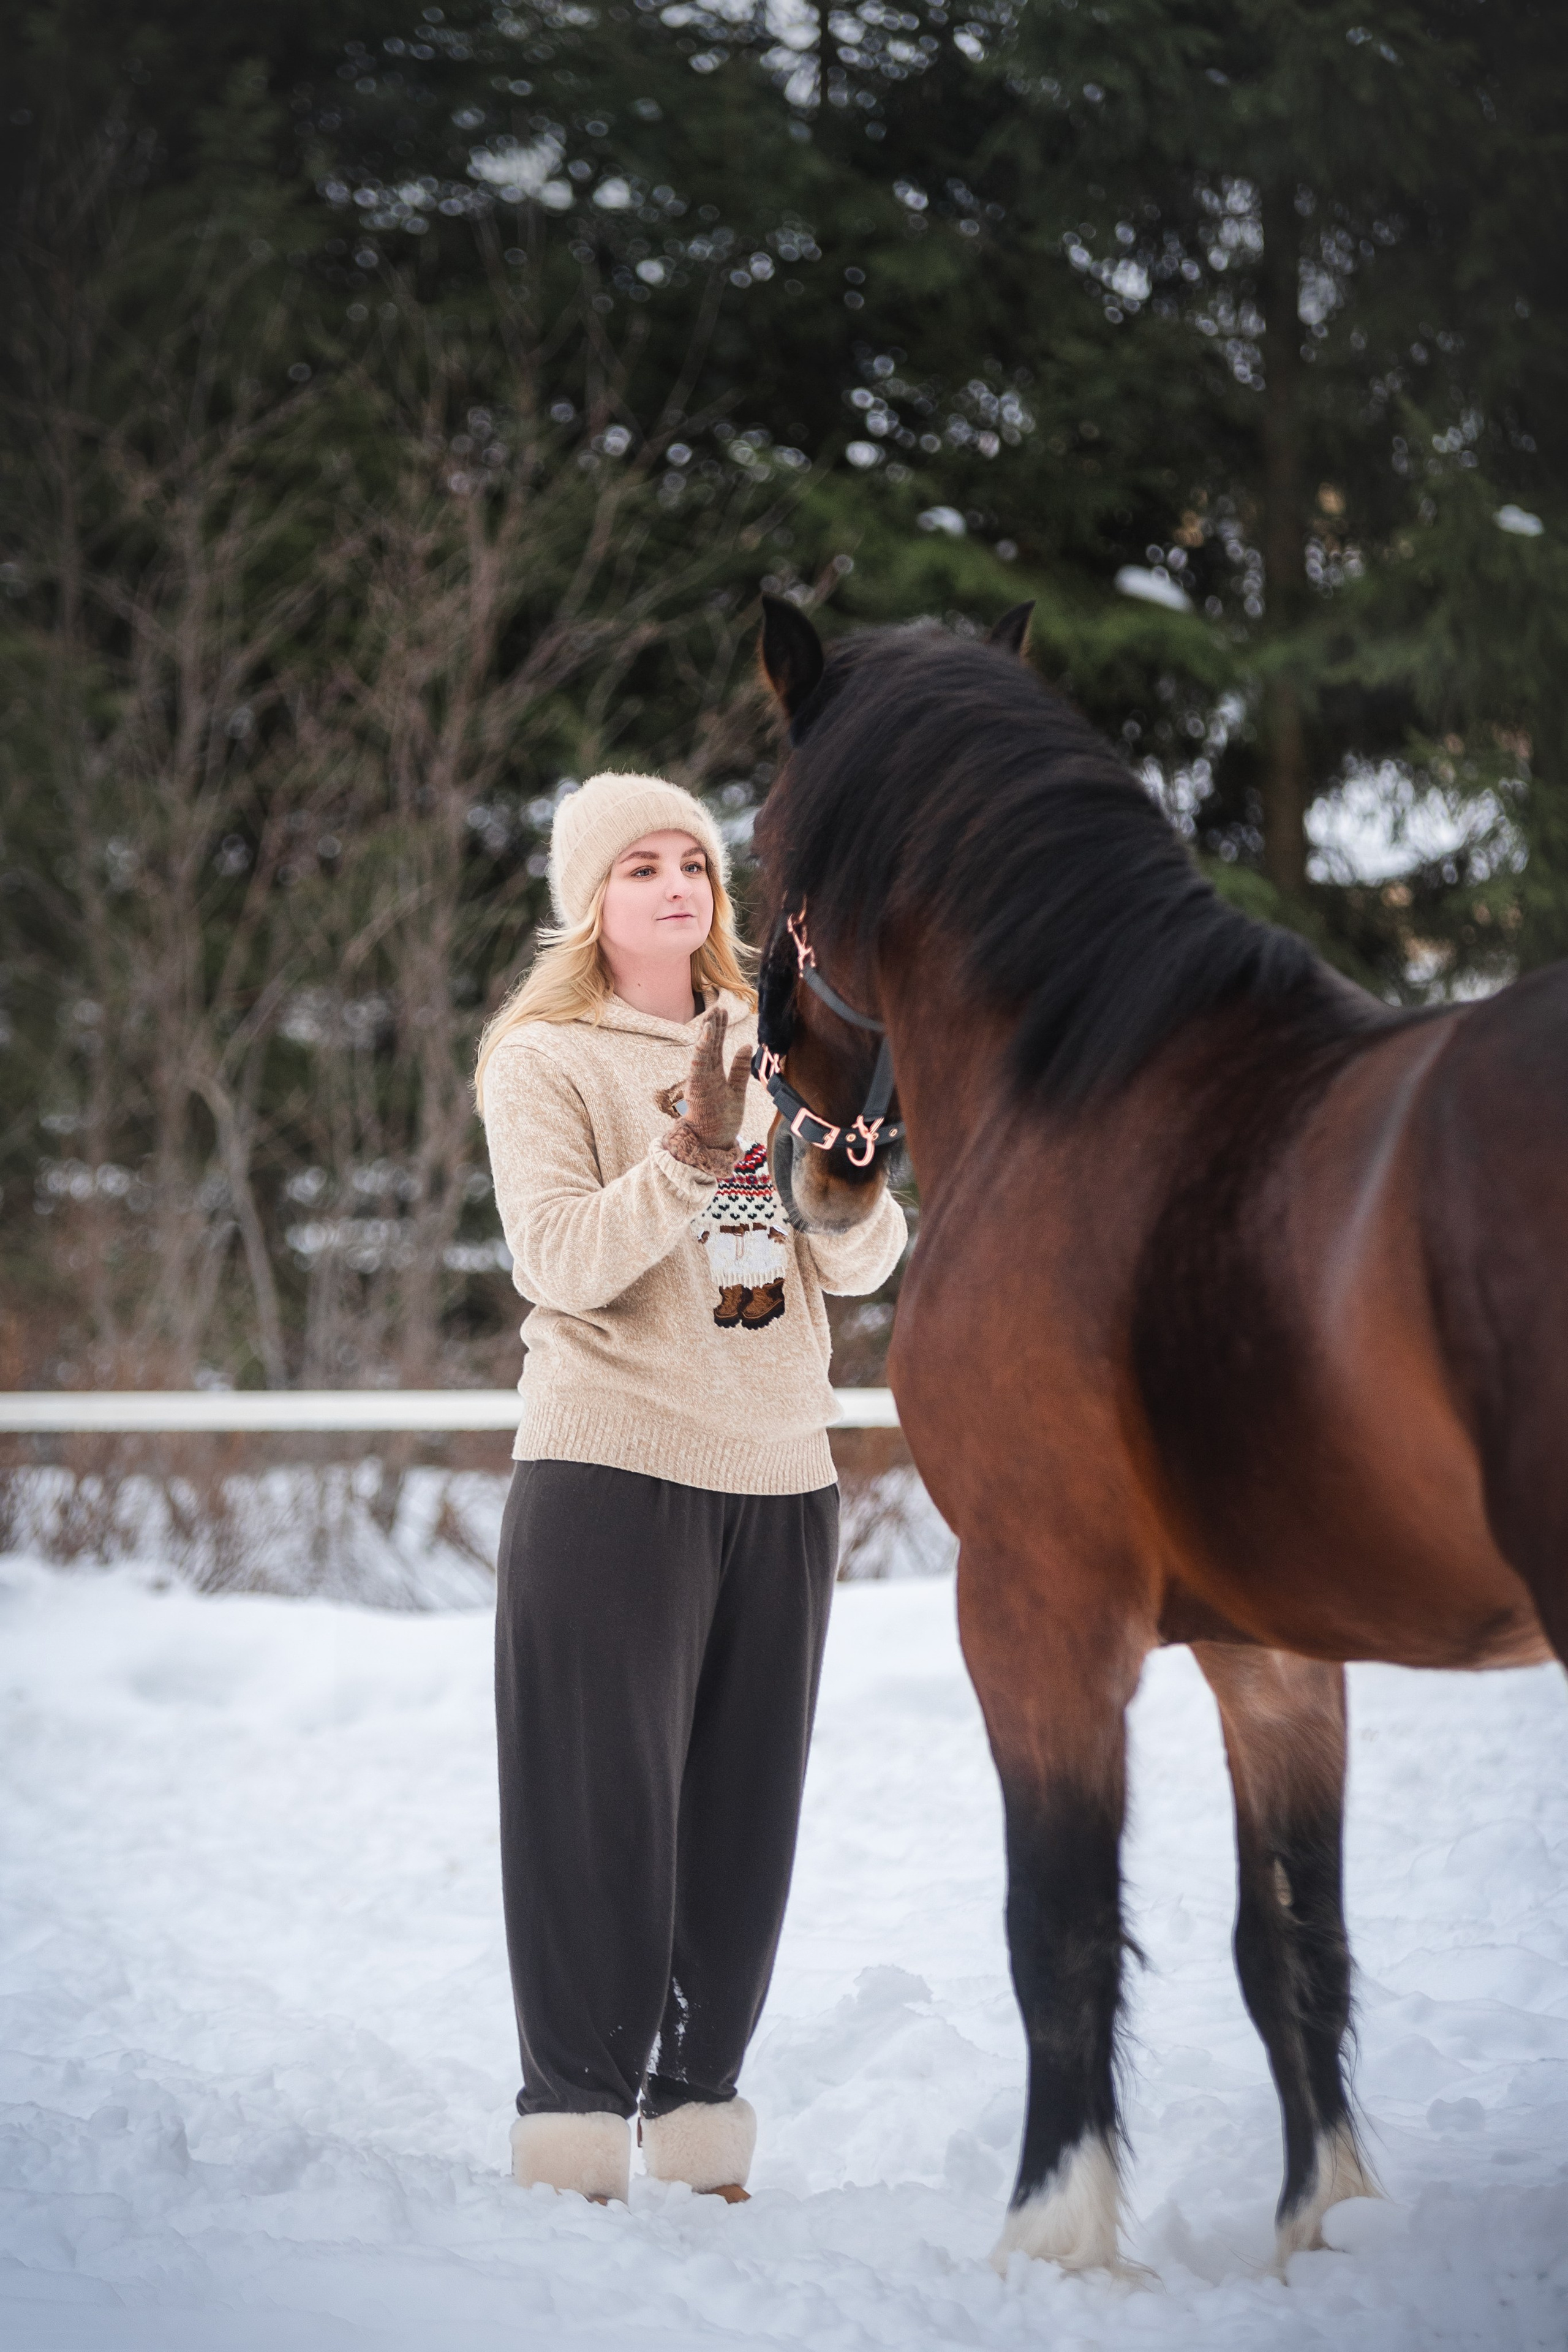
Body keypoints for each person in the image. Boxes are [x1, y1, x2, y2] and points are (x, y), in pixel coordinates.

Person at [475, 770, 907, 2207]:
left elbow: (853, 1262)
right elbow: (557, 1260)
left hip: (783, 1473)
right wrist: (691, 1147)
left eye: (695, 866)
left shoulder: (781, 1047)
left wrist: (839, 1176)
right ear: (588, 903)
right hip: (612, 1471)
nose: (676, 886)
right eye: (639, 867)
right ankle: (579, 2126)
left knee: (742, 1818)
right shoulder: (542, 1060)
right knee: (600, 1813)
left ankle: (700, 2109)